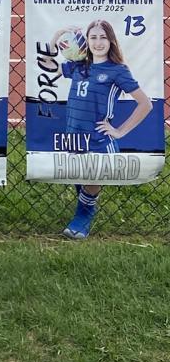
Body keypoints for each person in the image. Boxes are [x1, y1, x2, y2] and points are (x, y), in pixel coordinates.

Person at [48, 19, 153, 238]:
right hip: (74, 133)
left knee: (92, 177)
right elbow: (48, 65)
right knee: (80, 175)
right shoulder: (79, 65)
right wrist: (57, 34)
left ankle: (83, 216)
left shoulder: (117, 70)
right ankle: (85, 205)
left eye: (103, 37)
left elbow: (145, 104)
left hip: (98, 137)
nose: (98, 43)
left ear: (111, 41)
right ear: (86, 41)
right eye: (93, 37)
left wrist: (119, 131)